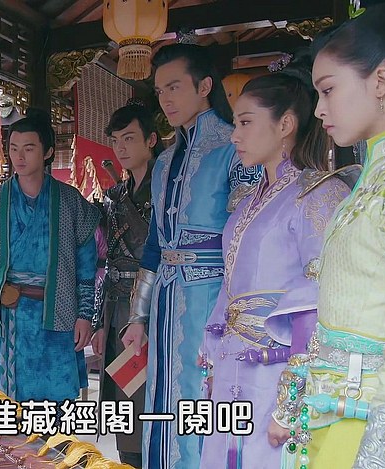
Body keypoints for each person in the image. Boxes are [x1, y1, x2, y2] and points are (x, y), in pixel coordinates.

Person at [271, 2, 385, 468]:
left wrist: (382, 455)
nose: (319, 109)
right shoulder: (375, 179)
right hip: (340, 416)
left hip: (380, 428)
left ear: (381, 81)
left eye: (328, 90)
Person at [198, 61, 353, 468]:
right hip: (232, 367)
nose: (235, 135)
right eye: (236, 123)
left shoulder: (318, 195)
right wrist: (212, 358)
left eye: (246, 122)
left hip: (276, 372)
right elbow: (229, 289)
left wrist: (292, 400)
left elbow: (319, 298)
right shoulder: (245, 203)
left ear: (285, 124)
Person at [120, 44, 261, 469]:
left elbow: (247, 237)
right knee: (162, 395)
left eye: (175, 86)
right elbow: (155, 244)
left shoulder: (235, 150)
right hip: (165, 297)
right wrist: (138, 316)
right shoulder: (164, 162)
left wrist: (239, 316)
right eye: (160, 90)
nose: (166, 99)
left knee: (204, 394)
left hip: (212, 298)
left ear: (204, 86)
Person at [0, 108, 100, 403]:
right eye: (14, 149)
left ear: (47, 152)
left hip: (57, 315)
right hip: (4, 315)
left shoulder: (70, 202)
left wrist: (84, 315)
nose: (19, 157)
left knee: (55, 406)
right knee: (3, 405)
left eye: (29, 148)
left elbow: (86, 269)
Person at [90, 101, 163, 468]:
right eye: (116, 140)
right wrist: (100, 321)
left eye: (130, 138)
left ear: (151, 140)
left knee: (150, 396)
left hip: (154, 306)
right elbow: (108, 261)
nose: (121, 147)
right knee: (123, 400)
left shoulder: (166, 189)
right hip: (117, 305)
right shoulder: (117, 195)